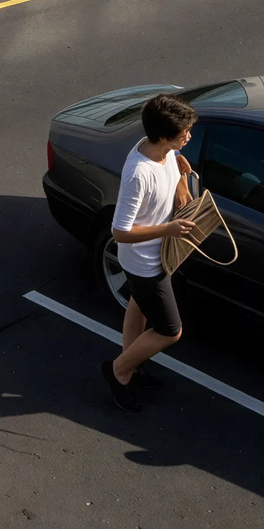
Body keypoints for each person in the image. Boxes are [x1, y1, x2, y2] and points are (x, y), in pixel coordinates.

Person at [103, 93, 201, 410]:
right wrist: (167, 229)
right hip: (145, 263)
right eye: (183, 132)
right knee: (170, 330)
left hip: (156, 255)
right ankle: (117, 371)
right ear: (162, 135)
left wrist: (183, 175)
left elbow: (182, 199)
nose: (189, 135)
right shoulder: (138, 174)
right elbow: (119, 231)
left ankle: (132, 364)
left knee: (139, 306)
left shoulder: (166, 152)